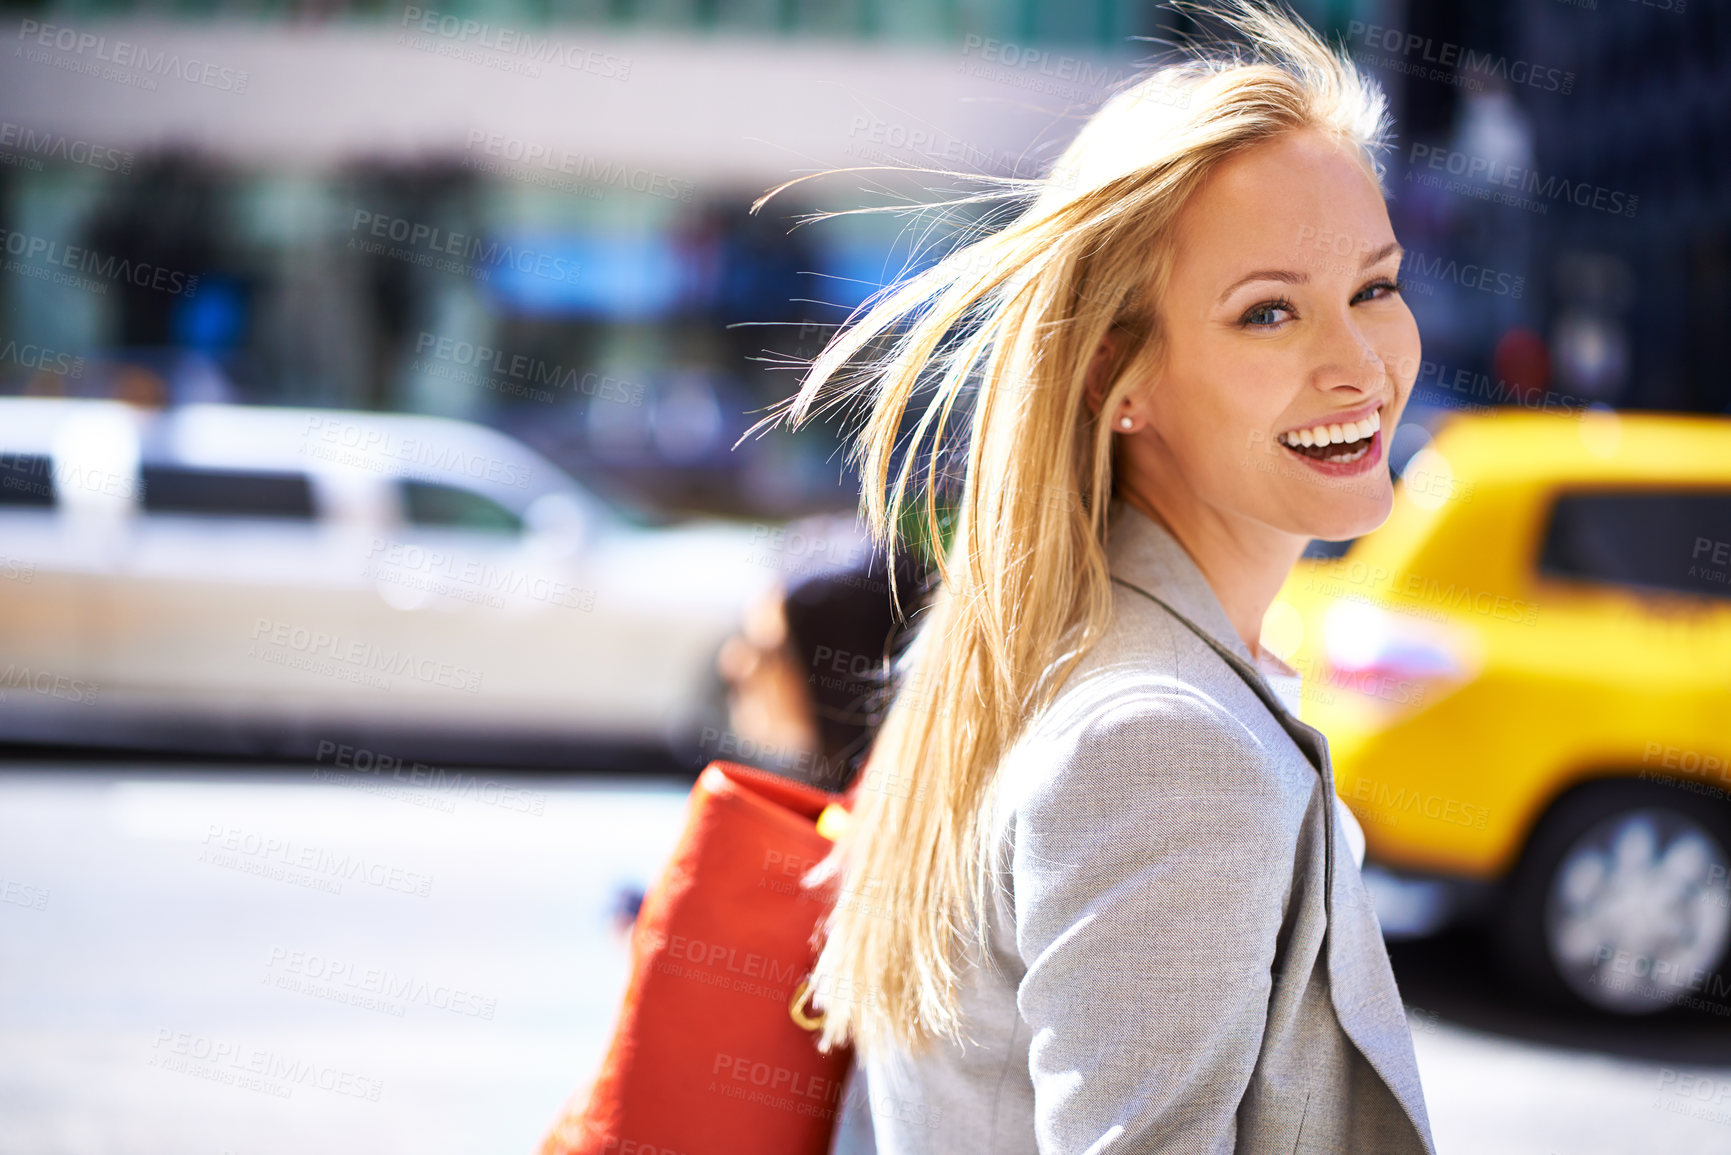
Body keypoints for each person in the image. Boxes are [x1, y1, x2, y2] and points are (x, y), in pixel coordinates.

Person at [759, 3, 1436, 1151]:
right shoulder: (1162, 741)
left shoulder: (1028, 646)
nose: (1362, 363)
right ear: (1119, 380)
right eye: (1268, 312)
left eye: (1374, 286)